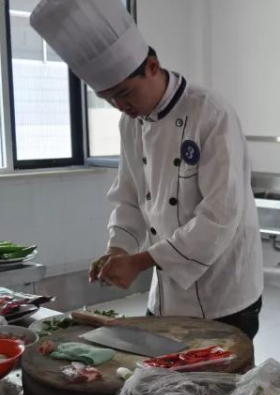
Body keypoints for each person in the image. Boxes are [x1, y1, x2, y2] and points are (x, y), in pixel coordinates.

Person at [31, 0, 263, 340]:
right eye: (108, 98)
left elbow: (220, 216)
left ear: (152, 66)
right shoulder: (131, 123)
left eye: (125, 93)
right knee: (157, 371)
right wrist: (118, 249)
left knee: (215, 374)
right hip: (167, 293)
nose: (120, 106)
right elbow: (129, 198)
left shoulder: (211, 114)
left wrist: (139, 262)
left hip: (224, 293)